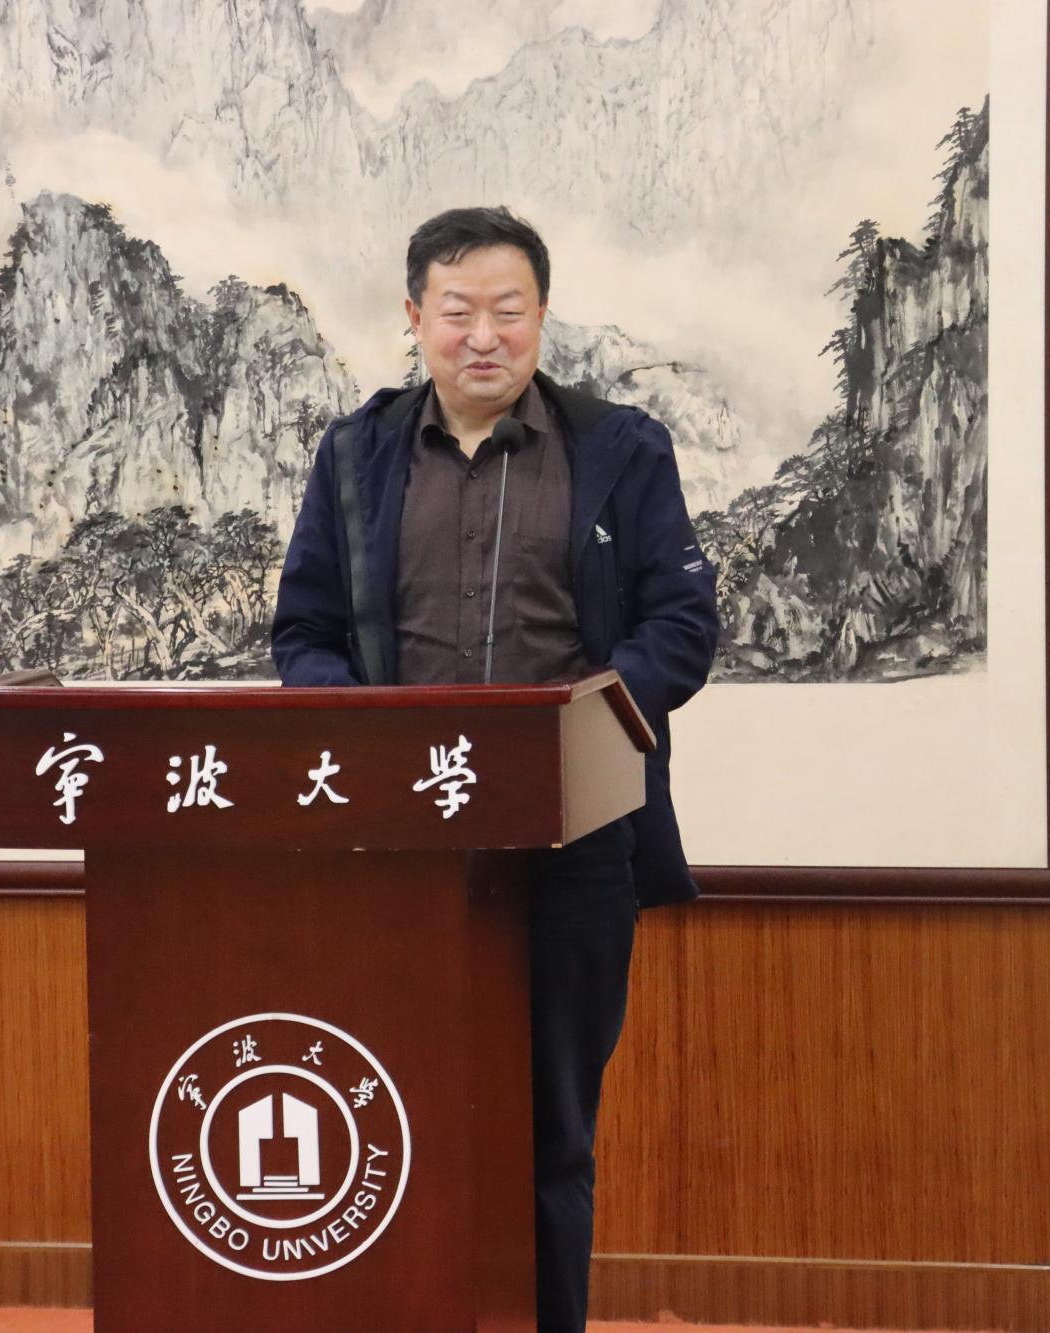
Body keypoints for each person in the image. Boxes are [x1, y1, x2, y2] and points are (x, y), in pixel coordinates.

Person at [271, 205, 718, 1332]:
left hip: (576, 837)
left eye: (507, 311)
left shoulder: (618, 449)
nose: (483, 336)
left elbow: (679, 625)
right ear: (414, 317)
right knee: (388, 1111)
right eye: (458, 311)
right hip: (396, 844)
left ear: (541, 317)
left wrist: (583, 722)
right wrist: (363, 739)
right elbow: (305, 633)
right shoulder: (354, 456)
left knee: (551, 1127)